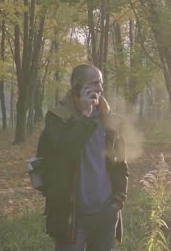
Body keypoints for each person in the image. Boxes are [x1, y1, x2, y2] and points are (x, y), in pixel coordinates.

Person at [36, 64, 128, 251]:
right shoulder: (57, 118)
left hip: (105, 214)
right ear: (77, 87)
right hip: (71, 216)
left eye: (101, 83)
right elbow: (66, 152)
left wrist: (118, 200)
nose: (100, 89)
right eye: (94, 83)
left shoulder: (108, 119)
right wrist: (85, 117)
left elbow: (120, 163)